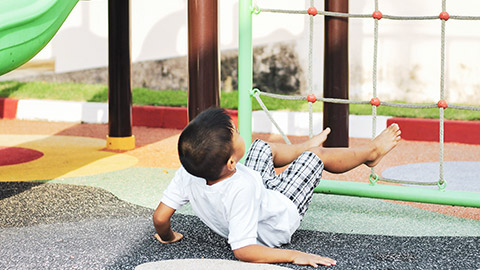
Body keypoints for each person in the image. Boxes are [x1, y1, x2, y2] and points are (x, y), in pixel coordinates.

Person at [153, 107, 401, 268]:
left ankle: (301, 147)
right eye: (236, 133)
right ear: (230, 163)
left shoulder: (188, 172)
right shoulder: (240, 188)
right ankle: (370, 153)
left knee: (261, 147)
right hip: (280, 214)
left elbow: (160, 217)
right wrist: (294, 255)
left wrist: (169, 237)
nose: (240, 133)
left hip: (262, 194)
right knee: (316, 157)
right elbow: (243, 250)